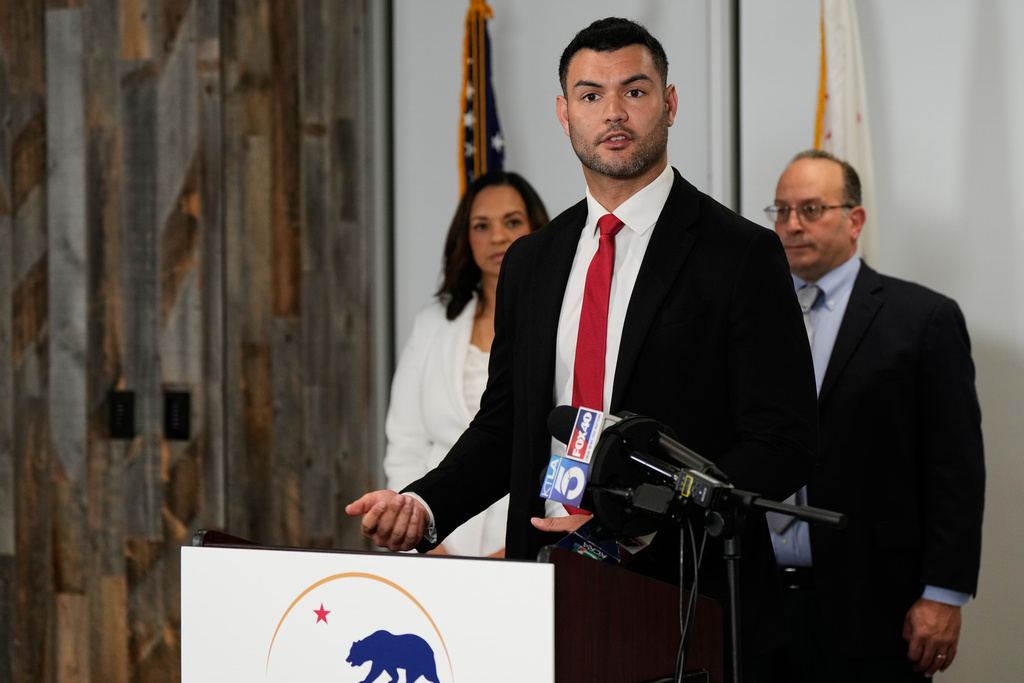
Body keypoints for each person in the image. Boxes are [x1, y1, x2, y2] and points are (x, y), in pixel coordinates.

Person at [348, 17, 818, 677]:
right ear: (564, 113)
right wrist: (424, 505)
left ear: (670, 102)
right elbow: (505, 422)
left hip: (681, 601)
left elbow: (783, 440)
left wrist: (625, 529)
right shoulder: (533, 261)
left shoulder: (739, 254)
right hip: (537, 594)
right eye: (591, 95)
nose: (614, 112)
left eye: (635, 90)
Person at [762, 150, 985, 682]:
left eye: (811, 209)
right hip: (759, 605)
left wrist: (944, 594)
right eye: (781, 211)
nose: (792, 225)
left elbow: (955, 467)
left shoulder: (922, 319)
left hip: (875, 606)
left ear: (854, 219)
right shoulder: (754, 315)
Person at [384, 171, 549, 558]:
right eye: (481, 225)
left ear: (536, 229)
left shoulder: (560, 320)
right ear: (466, 238)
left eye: (512, 222)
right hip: (437, 549)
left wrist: (524, 551)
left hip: (525, 544)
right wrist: (424, 540)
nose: (497, 237)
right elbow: (406, 444)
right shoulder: (433, 323)